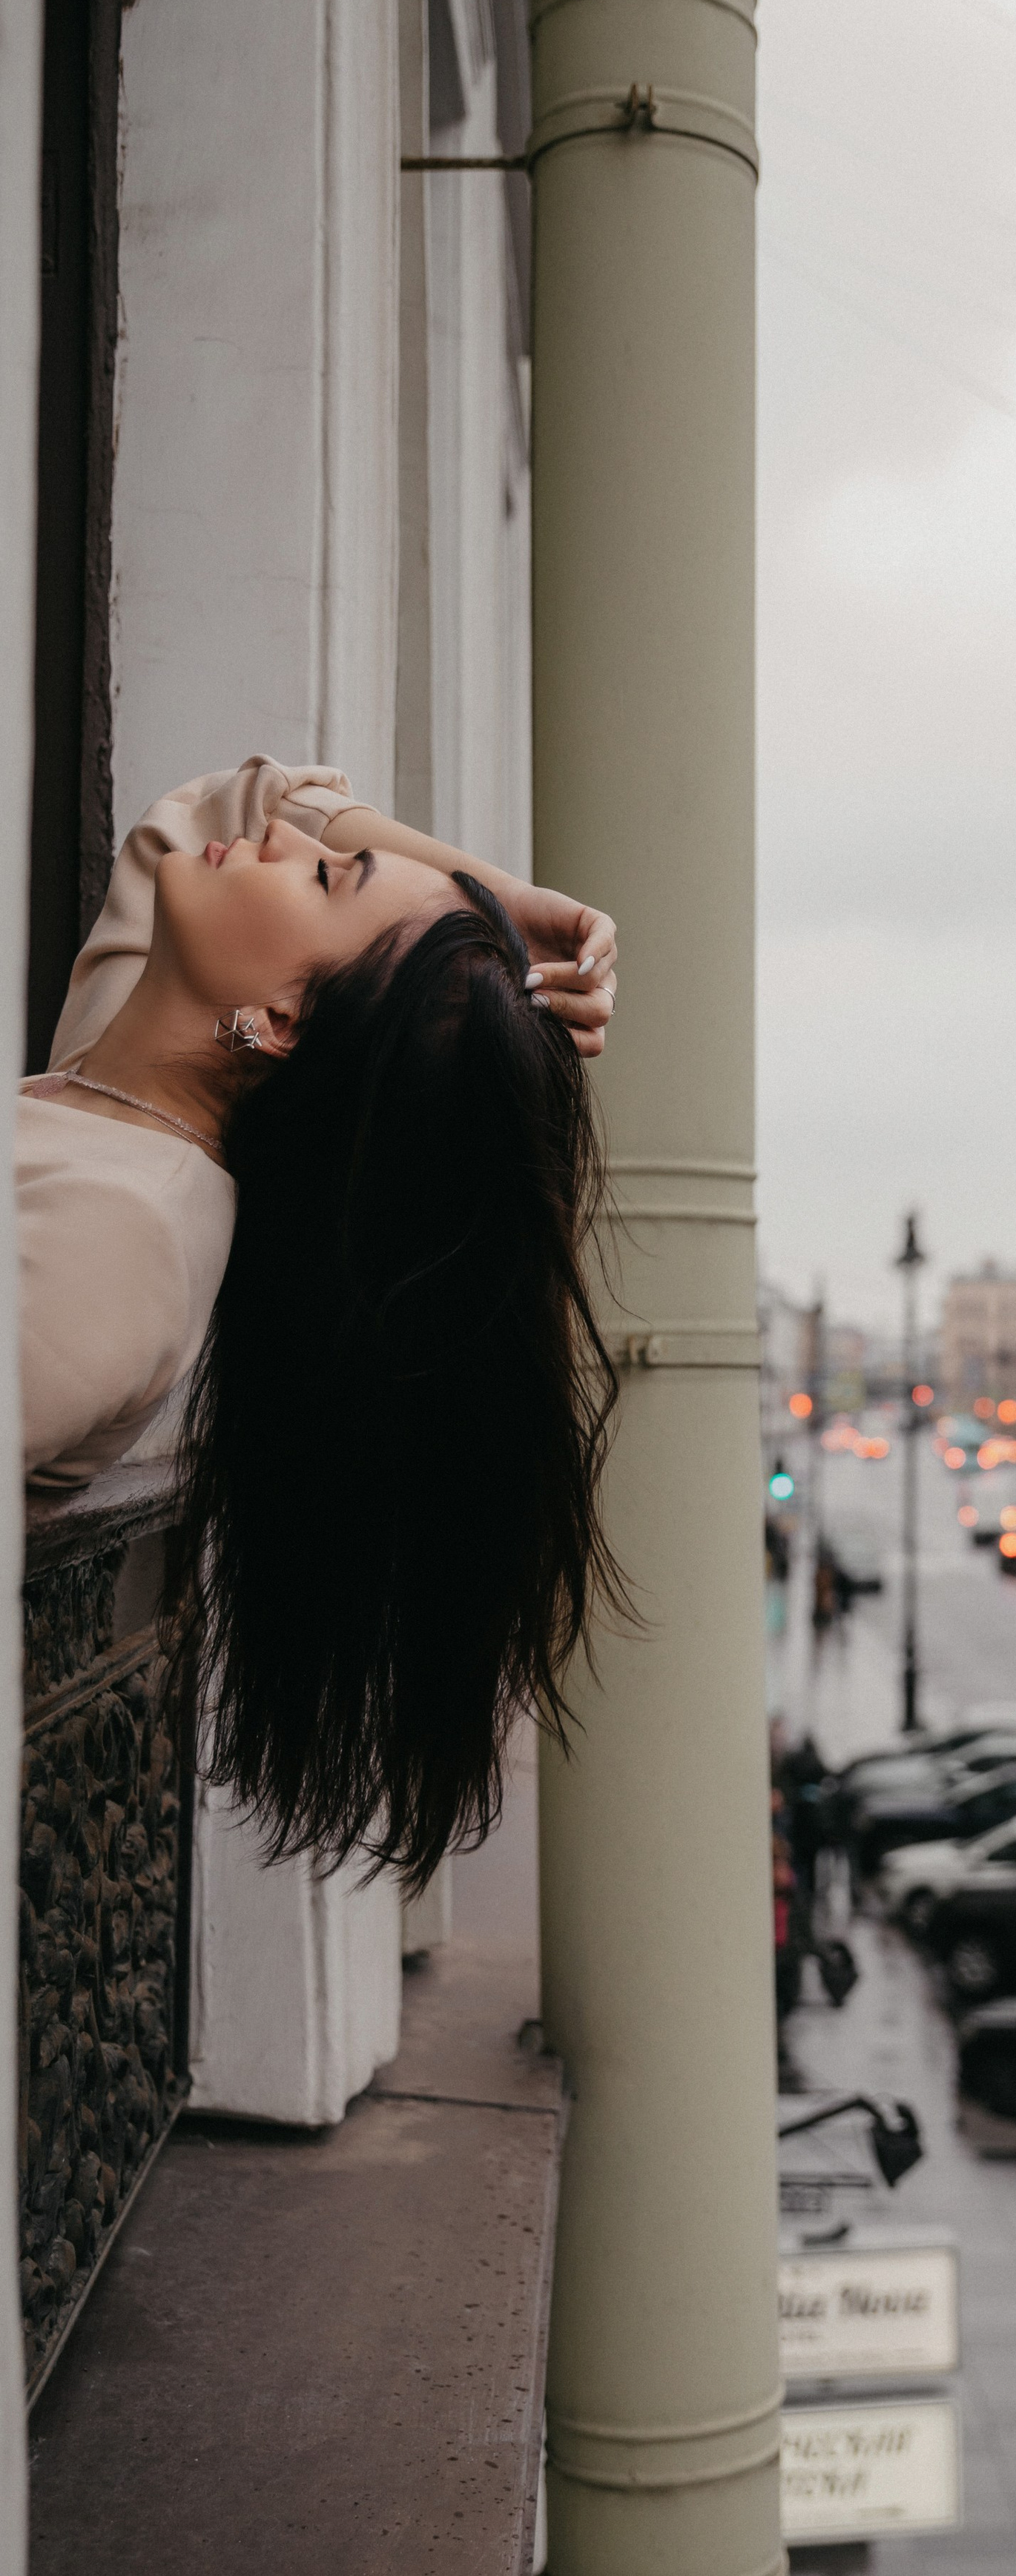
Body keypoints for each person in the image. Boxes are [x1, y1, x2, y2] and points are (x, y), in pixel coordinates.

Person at [19, 755, 624, 1887]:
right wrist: (503, 901)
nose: (288, 842)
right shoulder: (125, 1091)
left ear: (287, 1017)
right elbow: (230, 805)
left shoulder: (123, 1242)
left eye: (328, 878)